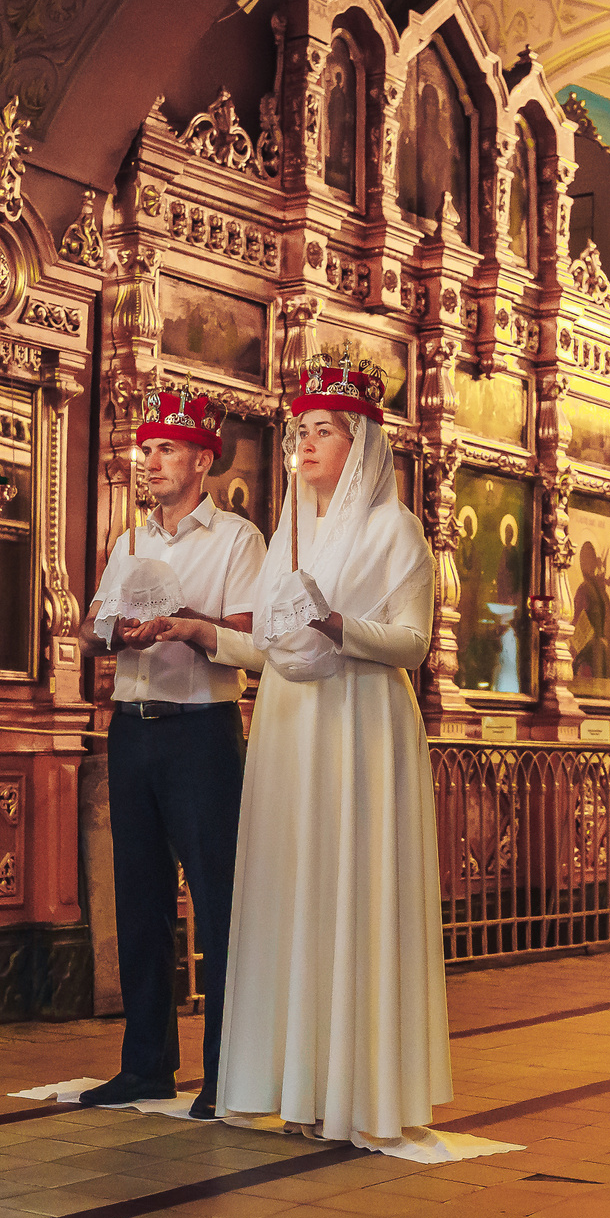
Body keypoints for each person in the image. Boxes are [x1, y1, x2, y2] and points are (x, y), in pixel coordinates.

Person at [153, 353, 450, 1150]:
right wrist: (204, 631)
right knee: (296, 890)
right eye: (301, 431)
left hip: (358, 726)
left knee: (350, 889)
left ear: (361, 441)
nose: (307, 444)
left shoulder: (396, 528)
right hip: (290, 726)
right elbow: (267, 651)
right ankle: (298, 1085)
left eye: (324, 430)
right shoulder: (288, 533)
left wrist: (338, 628)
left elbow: (414, 643)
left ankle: (357, 1090)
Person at [80, 390, 265, 1117]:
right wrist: (113, 634)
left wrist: (186, 624)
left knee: (218, 905)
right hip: (133, 725)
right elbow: (94, 624)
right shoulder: (130, 542)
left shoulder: (237, 541)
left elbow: (251, 641)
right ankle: (146, 1063)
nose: (149, 462)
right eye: (146, 449)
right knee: (141, 899)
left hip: (201, 732)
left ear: (201, 459)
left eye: (164, 450)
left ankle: (226, 1071)